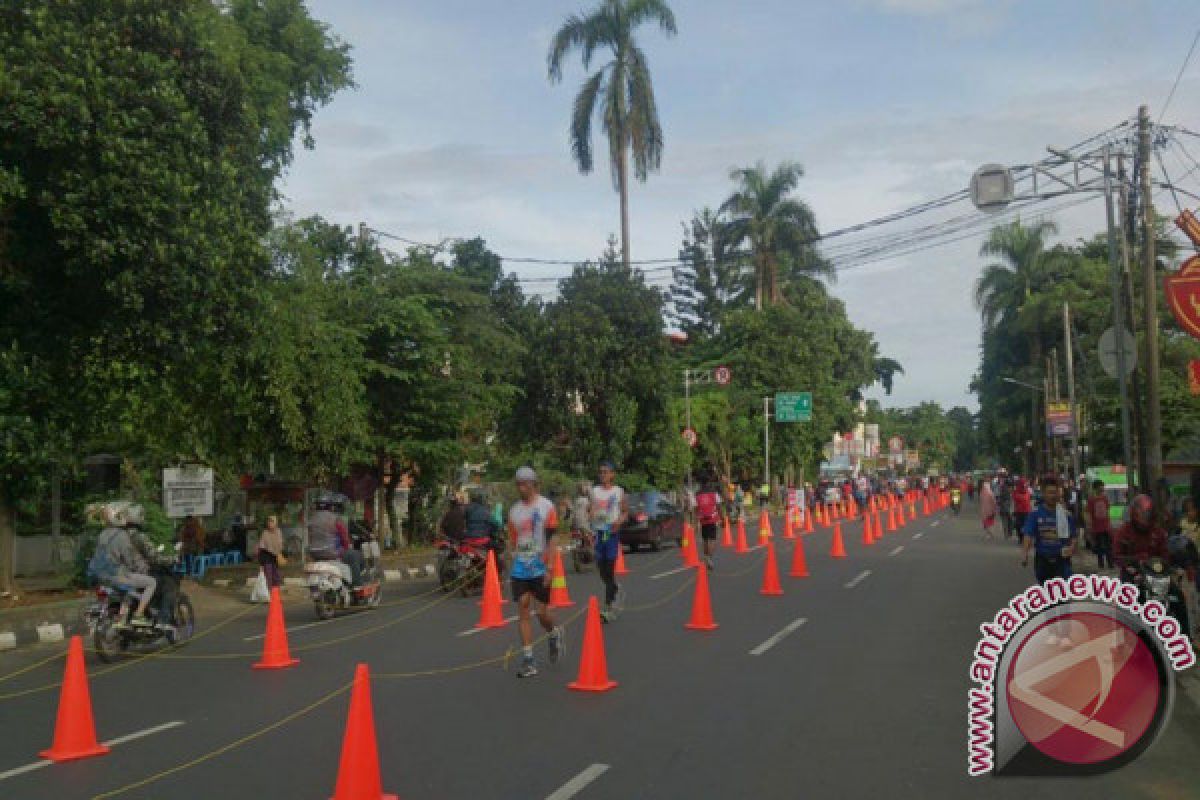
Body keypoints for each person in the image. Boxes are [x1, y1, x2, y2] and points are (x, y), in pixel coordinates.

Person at [507, 467, 564, 678]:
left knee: (542, 613)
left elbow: (553, 539)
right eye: (518, 483)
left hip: (540, 566)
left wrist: (550, 567)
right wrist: (511, 560)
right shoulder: (514, 511)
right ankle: (529, 659)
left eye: (525, 483)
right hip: (521, 566)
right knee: (522, 607)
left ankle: (553, 633)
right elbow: (513, 540)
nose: (521, 487)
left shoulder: (546, 506)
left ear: (533, 484)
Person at [93, 505, 158, 626]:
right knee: (151, 582)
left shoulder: (102, 534)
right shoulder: (122, 535)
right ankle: (139, 614)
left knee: (129, 589)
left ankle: (122, 618)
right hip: (118, 575)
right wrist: (138, 567)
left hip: (102, 576)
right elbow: (129, 558)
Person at [1020, 474, 1080, 584]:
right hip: (1043, 561)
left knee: (1063, 596)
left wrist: (1071, 548)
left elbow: (1074, 537)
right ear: (1043, 493)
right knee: (1047, 594)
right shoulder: (1035, 514)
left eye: (1055, 492)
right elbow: (1028, 535)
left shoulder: (1066, 515)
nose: (1053, 496)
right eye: (1050, 492)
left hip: (1062, 561)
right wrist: (1024, 554)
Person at [589, 460, 628, 622]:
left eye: (606, 472)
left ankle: (608, 607)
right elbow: (590, 509)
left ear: (612, 474)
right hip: (598, 533)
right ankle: (615, 588)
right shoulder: (594, 491)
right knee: (601, 569)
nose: (603, 475)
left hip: (611, 533)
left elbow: (625, 512)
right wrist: (590, 519)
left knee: (610, 568)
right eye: (601, 472)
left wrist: (619, 521)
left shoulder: (619, 491)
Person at [308, 493, 362, 587]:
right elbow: (345, 539)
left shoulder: (311, 519)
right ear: (330, 505)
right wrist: (346, 548)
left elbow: (310, 538)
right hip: (332, 553)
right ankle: (357, 585)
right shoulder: (335, 519)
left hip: (314, 554)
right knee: (355, 555)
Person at [1113, 494, 1170, 574]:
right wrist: (1135, 559)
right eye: (1142, 515)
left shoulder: (1158, 532)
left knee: (1173, 585)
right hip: (1132, 572)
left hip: (1156, 572)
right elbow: (1117, 556)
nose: (1144, 519)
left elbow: (1165, 554)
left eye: (1147, 515)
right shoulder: (1124, 532)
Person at [695, 470, 722, 571]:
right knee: (713, 540)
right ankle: (709, 558)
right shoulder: (714, 493)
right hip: (712, 518)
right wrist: (722, 518)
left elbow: (696, 508)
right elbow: (718, 506)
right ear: (708, 481)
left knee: (705, 539)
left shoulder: (697, 494)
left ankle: (706, 557)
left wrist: (695, 521)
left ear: (700, 483)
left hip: (703, 520)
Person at [1085, 480, 1114, 572]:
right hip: (1096, 527)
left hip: (1106, 526)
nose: (1102, 488)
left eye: (1103, 486)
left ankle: (1110, 563)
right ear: (1096, 488)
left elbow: (1108, 511)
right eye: (1101, 486)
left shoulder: (1105, 498)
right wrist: (1089, 525)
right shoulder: (1091, 499)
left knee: (1109, 546)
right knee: (1099, 546)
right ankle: (1101, 564)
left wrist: (1110, 523)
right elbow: (1088, 513)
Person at [257, 514, 286, 589]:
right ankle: (269, 596)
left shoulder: (278, 532)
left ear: (276, 523)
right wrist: (261, 564)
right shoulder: (265, 533)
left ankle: (275, 596)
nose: (270, 523)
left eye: (272, 522)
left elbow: (281, 545)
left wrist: (281, 555)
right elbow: (261, 548)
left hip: (276, 558)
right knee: (268, 578)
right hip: (267, 558)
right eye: (269, 522)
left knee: (276, 578)